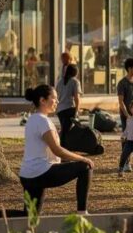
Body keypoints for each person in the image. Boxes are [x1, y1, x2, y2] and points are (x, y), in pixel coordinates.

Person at [18, 85, 93, 216]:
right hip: (41, 172)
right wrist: (82, 158)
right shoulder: (43, 121)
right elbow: (57, 150)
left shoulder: (31, 119)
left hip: (27, 175)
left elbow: (51, 152)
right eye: (54, 98)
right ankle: (82, 213)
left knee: (29, 216)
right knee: (85, 167)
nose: (57, 102)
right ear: (42, 100)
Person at [55, 64, 82, 146]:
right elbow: (77, 98)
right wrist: (77, 110)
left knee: (64, 129)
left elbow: (56, 94)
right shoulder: (75, 82)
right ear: (75, 72)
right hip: (69, 108)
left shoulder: (60, 81)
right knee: (66, 131)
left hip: (60, 109)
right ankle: (62, 148)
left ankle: (63, 147)